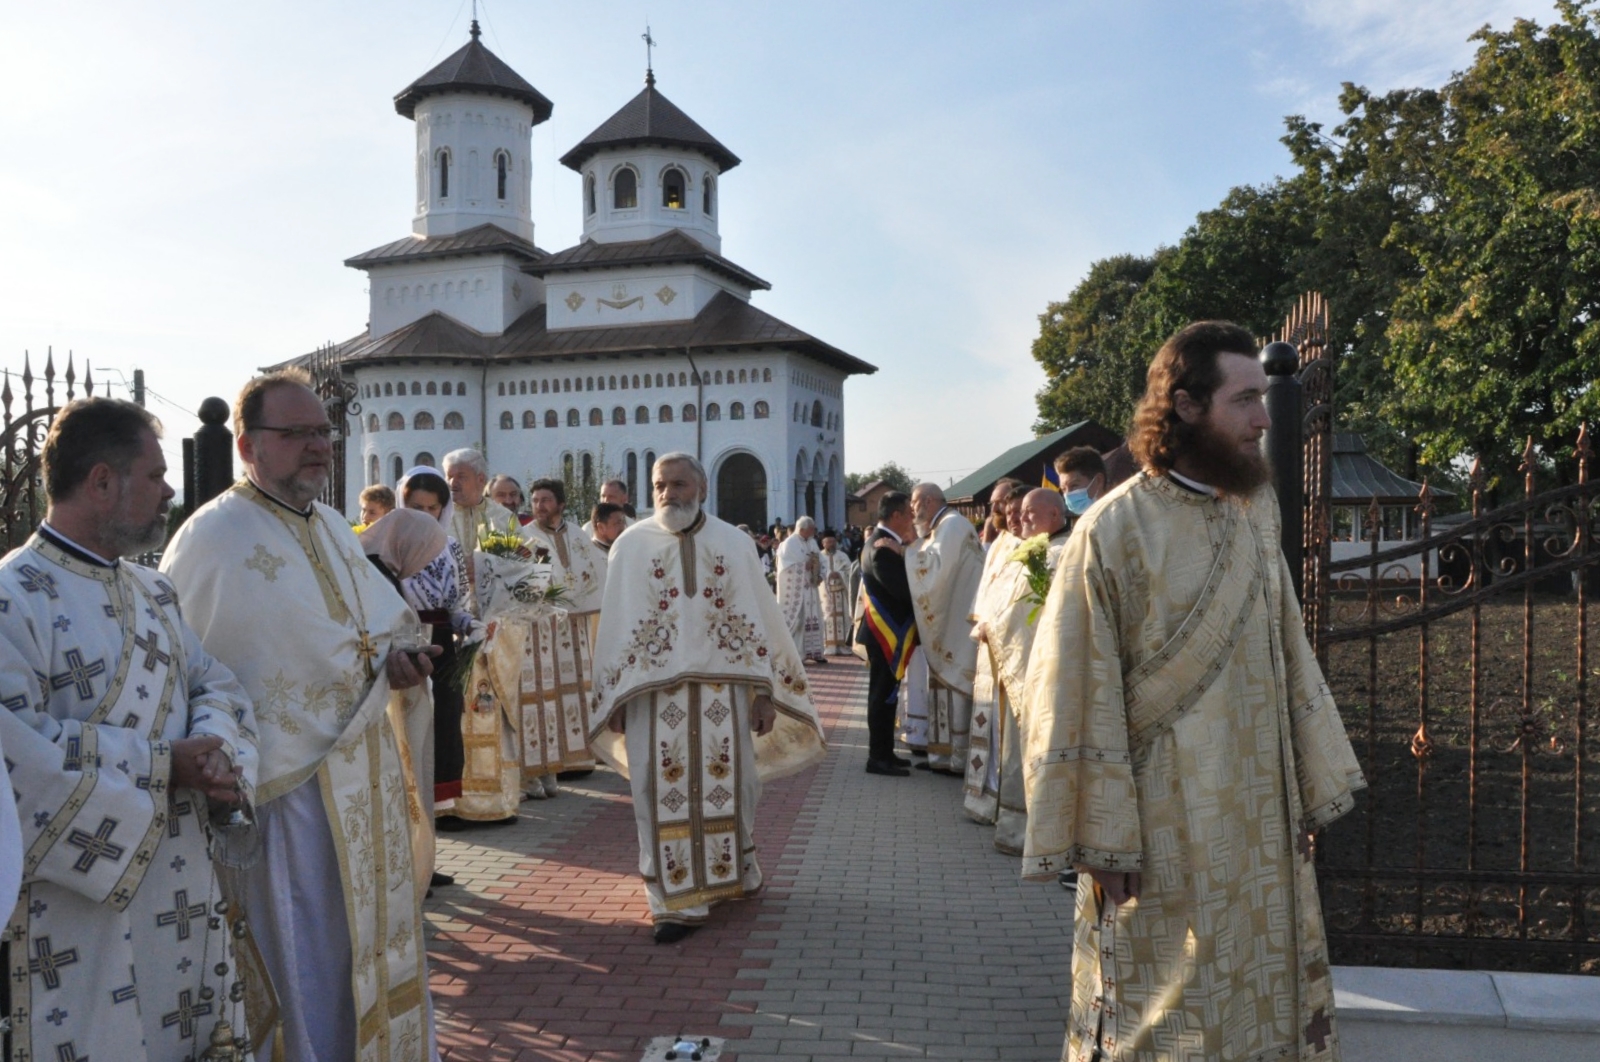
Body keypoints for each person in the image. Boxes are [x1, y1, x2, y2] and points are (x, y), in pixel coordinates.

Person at [1023, 321, 1366, 1062]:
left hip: (1260, 816)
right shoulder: (1112, 531)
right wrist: (1101, 833)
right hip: (1160, 828)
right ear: (1183, 406)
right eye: (1245, 400)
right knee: (1159, 1017)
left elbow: (1288, 649)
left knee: (1258, 997)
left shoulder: (1257, 511)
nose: (1264, 419)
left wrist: (1309, 784)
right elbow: (1072, 686)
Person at [163, 370, 439, 1062]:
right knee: (309, 954)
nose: (319, 447)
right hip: (289, 797)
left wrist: (403, 663)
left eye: (324, 432)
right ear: (248, 444)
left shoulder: (332, 527)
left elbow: (376, 632)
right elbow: (199, 674)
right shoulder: (214, 539)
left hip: (362, 781)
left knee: (369, 943)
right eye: (298, 434)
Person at [1, 397, 259, 1062]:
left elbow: (215, 684)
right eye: (155, 475)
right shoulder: (13, 596)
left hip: (184, 887)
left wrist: (219, 757)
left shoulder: (156, 594)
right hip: (78, 906)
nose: (171, 491)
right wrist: (159, 763)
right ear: (101, 482)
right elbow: (12, 757)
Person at [589, 454, 825, 942]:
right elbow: (614, 629)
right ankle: (675, 902)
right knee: (656, 793)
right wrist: (613, 698)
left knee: (734, 787)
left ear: (701, 487)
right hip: (653, 698)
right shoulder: (629, 547)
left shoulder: (733, 543)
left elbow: (758, 621)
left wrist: (764, 693)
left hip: (724, 693)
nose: (667, 494)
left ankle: (734, 869)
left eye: (678, 484)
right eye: (659, 485)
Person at [395, 467, 475, 829]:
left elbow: (457, 603)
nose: (423, 515)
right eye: (415, 506)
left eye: (431, 508)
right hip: (403, 644)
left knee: (443, 725)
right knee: (410, 727)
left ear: (443, 509)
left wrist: (470, 625)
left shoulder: (451, 547)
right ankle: (410, 815)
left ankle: (439, 808)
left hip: (442, 644)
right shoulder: (388, 542)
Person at [520, 477, 607, 797]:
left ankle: (569, 759)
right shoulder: (525, 537)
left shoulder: (578, 536)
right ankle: (541, 766)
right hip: (540, 630)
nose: (539, 506)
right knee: (543, 696)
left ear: (560, 504)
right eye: (535, 501)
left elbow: (596, 573)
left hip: (575, 626)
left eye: (545, 500)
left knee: (573, 691)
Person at [903, 482, 984, 774]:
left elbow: (933, 574)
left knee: (955, 688)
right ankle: (945, 755)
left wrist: (908, 549)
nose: (912, 509)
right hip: (953, 619)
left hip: (957, 624)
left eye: (914, 502)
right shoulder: (947, 526)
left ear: (928, 501)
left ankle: (956, 757)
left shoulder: (950, 526)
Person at [855, 491, 917, 777]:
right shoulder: (881, 547)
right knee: (882, 697)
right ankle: (878, 758)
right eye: (909, 513)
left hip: (885, 634)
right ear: (896, 516)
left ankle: (885, 753)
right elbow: (902, 590)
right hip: (884, 634)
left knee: (885, 696)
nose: (912, 518)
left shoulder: (885, 542)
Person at [443, 448, 516, 614]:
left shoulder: (504, 518)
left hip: (497, 613)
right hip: (450, 612)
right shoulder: (437, 516)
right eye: (449, 476)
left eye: (461, 476)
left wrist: (484, 567)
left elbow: (525, 562)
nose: (453, 483)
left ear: (480, 479)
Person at [776, 516, 827, 664]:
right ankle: (796, 654)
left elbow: (821, 559)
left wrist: (820, 574)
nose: (813, 532)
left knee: (814, 617)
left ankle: (814, 652)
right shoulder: (789, 544)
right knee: (798, 621)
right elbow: (785, 568)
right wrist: (805, 566)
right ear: (802, 529)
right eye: (811, 529)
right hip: (796, 591)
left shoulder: (811, 542)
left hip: (811, 588)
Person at [817, 534, 856, 655]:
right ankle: (828, 646)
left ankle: (843, 646)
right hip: (825, 593)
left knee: (843, 617)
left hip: (841, 591)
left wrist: (839, 573)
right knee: (827, 617)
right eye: (828, 542)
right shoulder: (819, 556)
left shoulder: (842, 555)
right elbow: (817, 572)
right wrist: (829, 574)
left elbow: (850, 570)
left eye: (833, 542)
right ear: (823, 544)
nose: (831, 544)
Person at [1053, 446, 1108, 519]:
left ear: (1098, 480)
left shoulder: (1121, 513)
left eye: (1074, 485)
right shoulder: (1082, 525)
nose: (1068, 494)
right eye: (1063, 489)